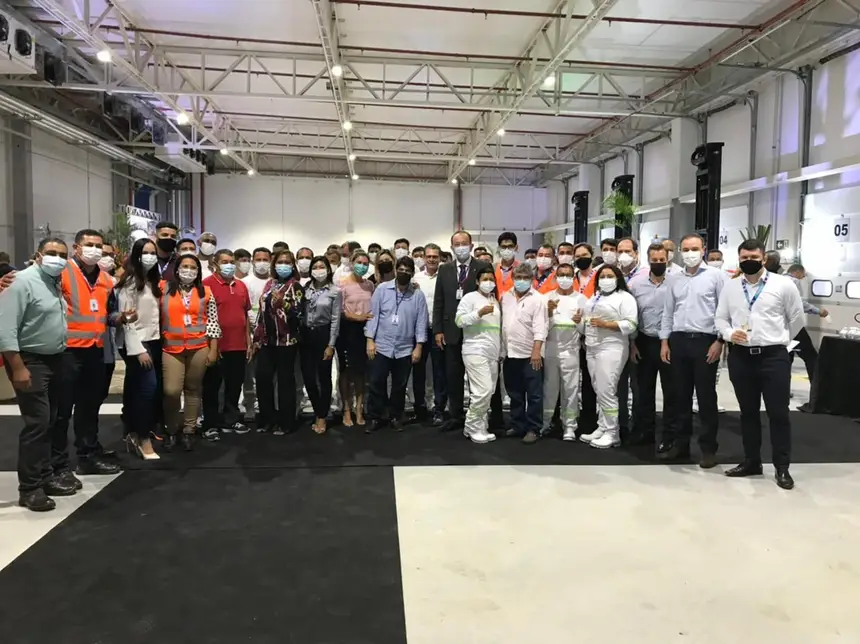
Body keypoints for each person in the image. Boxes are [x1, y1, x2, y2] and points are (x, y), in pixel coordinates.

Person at [715, 239, 805, 489]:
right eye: (744, 258)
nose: (749, 261)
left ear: (764, 259)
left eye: (754, 257)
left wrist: (780, 341)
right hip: (741, 357)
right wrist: (729, 333)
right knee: (748, 413)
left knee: (778, 413)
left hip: (773, 357)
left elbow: (797, 318)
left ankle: (782, 467)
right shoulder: (731, 287)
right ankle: (752, 461)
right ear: (739, 259)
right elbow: (720, 318)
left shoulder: (783, 284)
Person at [0, 238, 74, 510]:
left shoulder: (53, 281)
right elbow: (6, 328)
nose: (58, 258)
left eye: (62, 254)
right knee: (37, 423)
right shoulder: (21, 282)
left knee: (50, 420)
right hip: (30, 360)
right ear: (38, 255)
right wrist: (18, 367)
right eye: (52, 253)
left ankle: (45, 476)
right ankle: (30, 488)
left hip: (54, 359)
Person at [53, 229, 122, 478]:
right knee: (61, 411)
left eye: (98, 246)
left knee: (89, 407)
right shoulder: (61, 272)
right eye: (89, 244)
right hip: (66, 351)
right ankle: (57, 465)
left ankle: (88, 455)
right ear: (76, 247)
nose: (94, 250)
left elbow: (108, 314)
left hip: (94, 350)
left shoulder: (106, 279)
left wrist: (120, 318)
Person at [659, 233, 725, 467]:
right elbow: (668, 312)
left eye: (694, 248)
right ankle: (681, 445)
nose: (690, 253)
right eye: (686, 249)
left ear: (703, 250)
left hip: (706, 341)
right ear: (679, 251)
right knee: (680, 396)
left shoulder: (716, 276)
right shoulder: (674, 279)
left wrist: (720, 341)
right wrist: (665, 341)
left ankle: (708, 449)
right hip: (678, 340)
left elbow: (724, 310)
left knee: (706, 397)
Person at [161, 254, 220, 451]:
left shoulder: (206, 292)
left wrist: (213, 350)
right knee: (171, 391)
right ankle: (171, 429)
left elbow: (213, 322)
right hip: (171, 348)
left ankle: (189, 430)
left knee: (193, 389)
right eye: (184, 266)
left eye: (193, 267)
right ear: (177, 269)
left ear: (198, 271)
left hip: (199, 347)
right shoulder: (164, 289)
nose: (188, 270)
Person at [433, 230, 491, 432]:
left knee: (477, 378)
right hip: (451, 331)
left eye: (464, 243)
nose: (461, 247)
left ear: (471, 245)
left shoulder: (482, 266)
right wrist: (438, 330)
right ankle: (455, 415)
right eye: (457, 244)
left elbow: (489, 295)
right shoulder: (445, 269)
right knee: (453, 376)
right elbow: (439, 301)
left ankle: (479, 416)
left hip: (476, 331)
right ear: (451, 247)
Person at [365, 256, 427, 432]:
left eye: (407, 271)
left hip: (404, 348)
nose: (403, 273)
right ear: (395, 270)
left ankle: (395, 416)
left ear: (412, 273)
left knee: (400, 385)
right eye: (401, 269)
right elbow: (373, 315)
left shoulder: (417, 295)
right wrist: (370, 339)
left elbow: (421, 322)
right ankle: (375, 417)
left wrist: (419, 346)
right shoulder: (382, 289)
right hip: (381, 345)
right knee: (376, 382)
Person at [581, 264, 638, 449]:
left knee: (607, 389)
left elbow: (631, 324)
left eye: (609, 276)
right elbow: (587, 321)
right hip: (592, 346)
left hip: (612, 346)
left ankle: (613, 432)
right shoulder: (595, 297)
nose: (605, 279)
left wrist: (606, 324)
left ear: (617, 278)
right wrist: (579, 322)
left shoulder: (625, 298)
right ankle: (603, 426)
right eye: (602, 276)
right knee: (598, 388)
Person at [115, 238, 162, 460]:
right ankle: (143, 438)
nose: (150, 257)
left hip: (153, 340)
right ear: (137, 255)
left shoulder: (152, 280)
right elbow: (127, 319)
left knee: (135, 388)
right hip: (137, 344)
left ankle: (131, 432)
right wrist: (138, 349)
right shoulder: (130, 282)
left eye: (153, 253)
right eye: (146, 252)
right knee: (147, 389)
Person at [628, 243, 676, 450]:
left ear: (668, 259)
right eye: (654, 260)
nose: (658, 263)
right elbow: (632, 315)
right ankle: (645, 432)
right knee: (643, 391)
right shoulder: (636, 284)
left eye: (661, 260)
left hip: (670, 343)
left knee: (671, 392)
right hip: (644, 341)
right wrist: (632, 343)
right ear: (648, 260)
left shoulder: (676, 282)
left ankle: (669, 436)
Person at [202, 250, 252, 439]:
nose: (229, 265)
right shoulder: (206, 285)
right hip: (216, 345)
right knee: (213, 387)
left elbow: (245, 315)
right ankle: (211, 423)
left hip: (238, 345)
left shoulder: (241, 286)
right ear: (215, 264)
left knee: (234, 385)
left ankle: (231, 419)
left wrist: (248, 341)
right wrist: (209, 346)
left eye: (231, 261)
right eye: (224, 262)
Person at [253, 250, 304, 435]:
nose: (283, 265)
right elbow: (262, 313)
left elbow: (300, 314)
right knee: (263, 378)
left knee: (285, 382)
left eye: (287, 262)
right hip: (267, 340)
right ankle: (267, 419)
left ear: (292, 265)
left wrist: (285, 304)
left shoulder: (295, 286)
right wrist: (256, 338)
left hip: (286, 341)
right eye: (280, 262)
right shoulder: (270, 284)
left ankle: (286, 422)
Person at [500, 264, 548, 444]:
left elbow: (540, 327)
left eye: (525, 278)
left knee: (534, 395)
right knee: (515, 393)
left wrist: (536, 351)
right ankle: (517, 425)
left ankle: (534, 428)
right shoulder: (506, 297)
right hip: (510, 352)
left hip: (530, 355)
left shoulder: (538, 299)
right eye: (518, 277)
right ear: (512, 278)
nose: (521, 281)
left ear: (531, 279)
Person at [456, 266, 501, 444]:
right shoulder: (469, 298)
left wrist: (501, 351)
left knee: (489, 391)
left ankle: (481, 426)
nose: (488, 283)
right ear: (477, 281)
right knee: (483, 390)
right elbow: (459, 320)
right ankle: (472, 425)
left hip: (492, 352)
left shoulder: (494, 300)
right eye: (485, 279)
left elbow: (497, 328)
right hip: (474, 349)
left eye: (491, 279)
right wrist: (478, 313)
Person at [542, 262, 586, 441]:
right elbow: (541, 328)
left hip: (571, 350)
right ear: (555, 277)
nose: (565, 278)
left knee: (571, 389)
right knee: (549, 388)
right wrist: (549, 313)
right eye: (561, 275)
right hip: (550, 348)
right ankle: (545, 422)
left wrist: (579, 322)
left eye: (568, 275)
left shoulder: (581, 299)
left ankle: (569, 426)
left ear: (573, 277)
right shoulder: (546, 298)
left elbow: (586, 330)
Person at [301, 256, 341, 434]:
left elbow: (335, 320)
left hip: (323, 334)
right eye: (315, 267)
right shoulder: (304, 289)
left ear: (328, 269)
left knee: (324, 376)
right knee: (308, 377)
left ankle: (322, 415)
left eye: (322, 267)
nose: (319, 270)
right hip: (306, 335)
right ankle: (318, 409)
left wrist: (331, 344)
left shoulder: (335, 291)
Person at [337, 250, 374, 427]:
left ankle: (359, 408)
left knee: (361, 372)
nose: (362, 266)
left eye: (365, 264)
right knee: (346, 372)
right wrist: (357, 317)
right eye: (359, 262)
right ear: (352, 263)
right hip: (347, 331)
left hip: (364, 331)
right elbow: (339, 311)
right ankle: (346, 409)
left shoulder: (369, 285)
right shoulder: (342, 284)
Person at [412, 243, 447, 425]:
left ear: (440, 258)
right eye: (429, 256)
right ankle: (419, 409)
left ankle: (439, 410)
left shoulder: (446, 276)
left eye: (435, 256)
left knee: (439, 372)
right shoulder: (416, 278)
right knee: (418, 371)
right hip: (419, 331)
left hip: (439, 331)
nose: (432, 259)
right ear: (424, 258)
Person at [785, 264, 827, 407]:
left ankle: (783, 391)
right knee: (811, 357)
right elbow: (799, 303)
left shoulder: (777, 280)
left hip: (782, 328)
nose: (803, 278)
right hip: (794, 327)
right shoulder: (793, 281)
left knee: (786, 359)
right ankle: (818, 394)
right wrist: (818, 311)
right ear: (797, 272)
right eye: (803, 274)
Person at [241, 247, 272, 422]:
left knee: (268, 373)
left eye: (265, 259)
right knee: (249, 373)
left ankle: (268, 405)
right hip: (251, 331)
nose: (262, 263)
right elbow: (243, 309)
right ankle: (250, 406)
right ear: (253, 261)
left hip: (271, 334)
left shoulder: (274, 282)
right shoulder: (245, 282)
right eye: (258, 259)